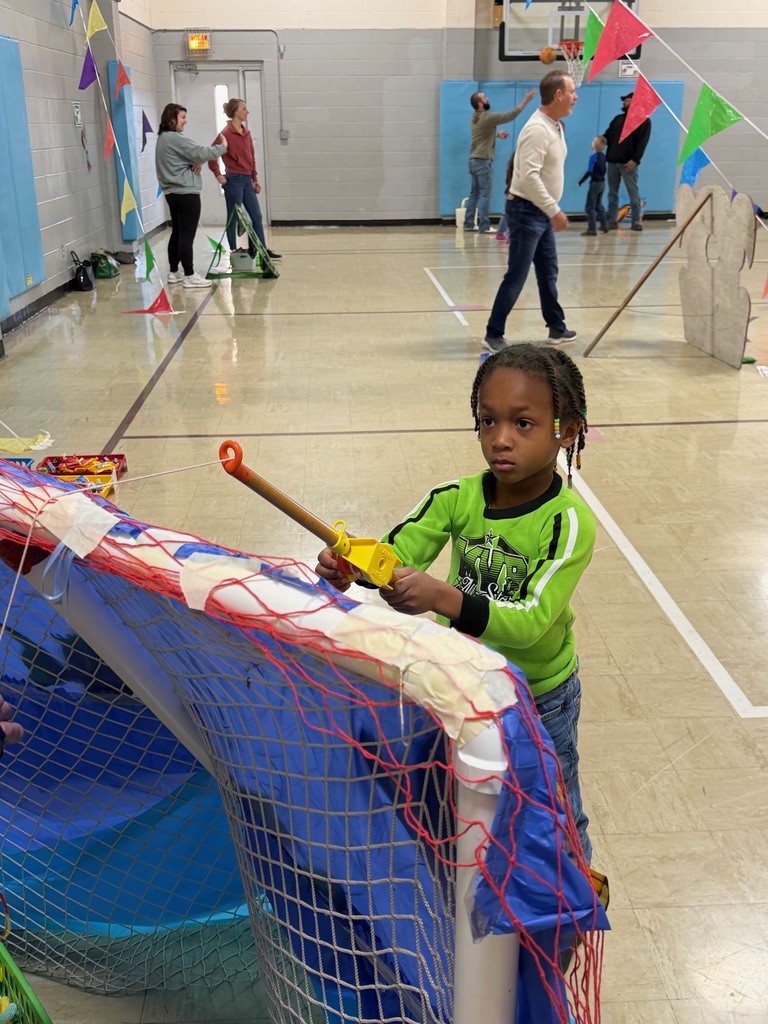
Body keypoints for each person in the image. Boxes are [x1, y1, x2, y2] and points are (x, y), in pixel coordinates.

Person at [316, 344, 595, 863]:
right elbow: (393, 556)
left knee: (553, 810)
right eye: (488, 421)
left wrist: (443, 597)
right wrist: (350, 567)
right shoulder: (454, 497)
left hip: (539, 697)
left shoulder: (567, 521)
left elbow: (531, 622)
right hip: (462, 683)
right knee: (464, 797)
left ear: (567, 430)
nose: (500, 439)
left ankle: (573, 889)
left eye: (523, 423)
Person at [483, 71, 578, 354]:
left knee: (548, 271)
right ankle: (493, 333)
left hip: (540, 213)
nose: (575, 96)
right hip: (526, 211)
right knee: (517, 275)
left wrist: (549, 211)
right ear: (558, 95)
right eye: (571, 91)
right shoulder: (537, 129)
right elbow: (528, 178)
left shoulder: (554, 126)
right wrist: (554, 210)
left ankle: (556, 327)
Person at [155, 103, 228, 289]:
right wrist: (223, 147)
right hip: (186, 194)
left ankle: (174, 272)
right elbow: (201, 153)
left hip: (172, 193)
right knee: (187, 235)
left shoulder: (163, 138)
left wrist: (195, 162)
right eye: (182, 118)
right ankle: (189, 275)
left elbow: (186, 159)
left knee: (177, 233)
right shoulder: (175, 138)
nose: (185, 121)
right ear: (172, 119)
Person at [208, 98, 282, 263]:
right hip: (233, 181)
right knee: (233, 218)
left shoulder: (246, 133)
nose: (247, 111)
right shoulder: (225, 134)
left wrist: (255, 178)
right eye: (244, 109)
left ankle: (262, 251)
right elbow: (211, 155)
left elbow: (251, 157)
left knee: (256, 216)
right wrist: (218, 174)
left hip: (247, 180)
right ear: (235, 112)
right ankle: (234, 252)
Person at [464, 89, 536, 235]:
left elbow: (482, 133)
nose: (487, 98)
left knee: (474, 194)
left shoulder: (475, 117)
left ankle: (469, 223)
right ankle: (484, 226)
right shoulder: (487, 117)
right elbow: (510, 115)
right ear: (480, 104)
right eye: (484, 97)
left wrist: (496, 135)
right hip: (482, 161)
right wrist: (526, 100)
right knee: (485, 195)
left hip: (473, 161)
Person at [604, 92, 651, 232]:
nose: (625, 102)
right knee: (612, 193)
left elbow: (642, 143)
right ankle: (612, 220)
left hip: (628, 163)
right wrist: (600, 141)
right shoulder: (618, 119)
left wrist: (635, 160)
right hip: (612, 161)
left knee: (633, 192)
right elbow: (608, 135)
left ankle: (636, 221)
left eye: (628, 100)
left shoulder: (643, 121)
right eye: (624, 101)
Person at [577, 135, 609, 236]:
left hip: (595, 184)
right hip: (602, 183)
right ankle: (604, 225)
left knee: (589, 207)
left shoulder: (593, 157)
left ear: (594, 145)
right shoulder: (603, 157)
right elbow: (604, 170)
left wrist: (581, 181)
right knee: (598, 205)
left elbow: (590, 171)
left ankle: (592, 229)